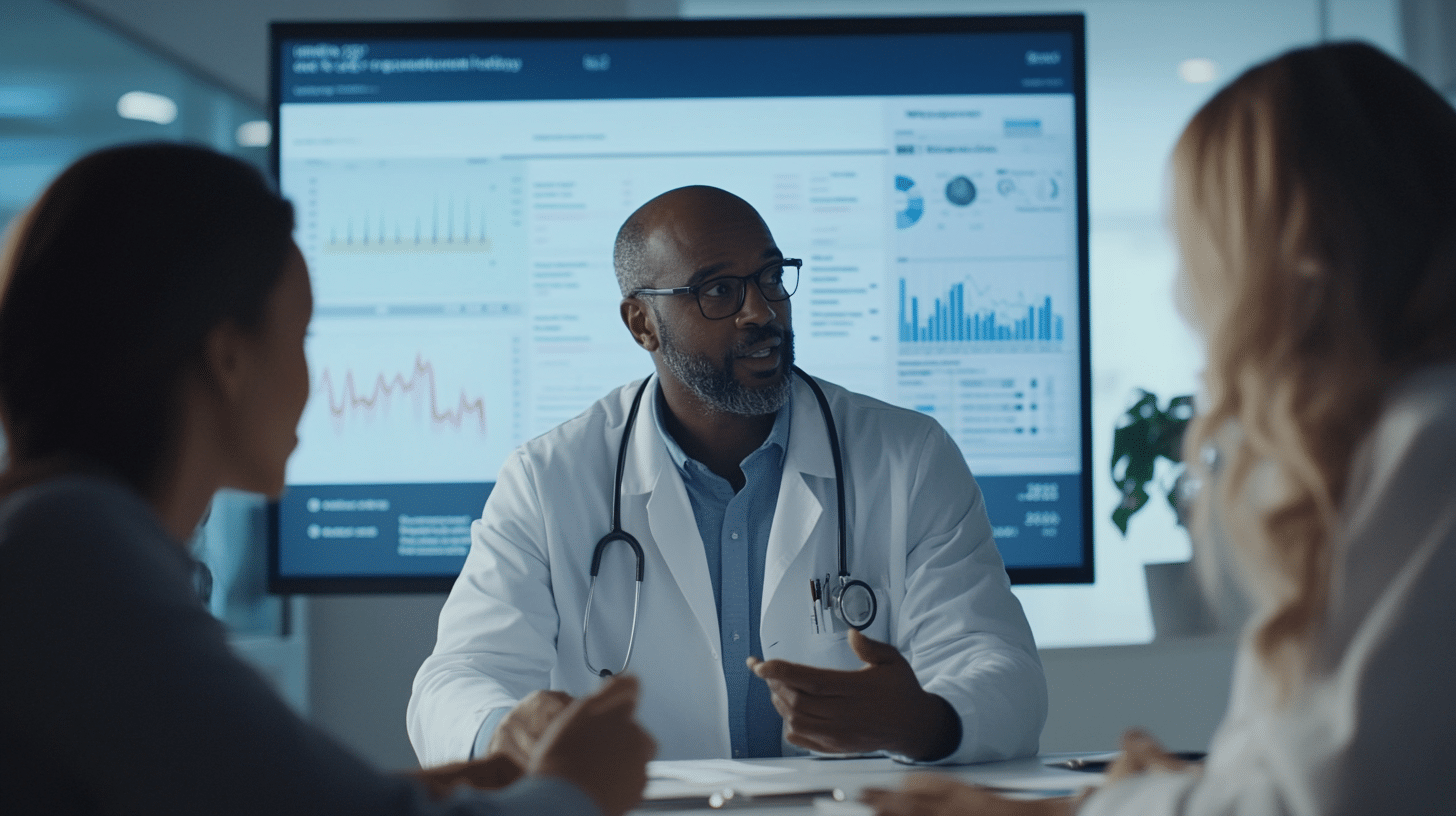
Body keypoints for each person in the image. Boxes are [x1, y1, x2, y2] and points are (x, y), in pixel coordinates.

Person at [862, 41, 1456, 816]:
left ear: (1303, 254)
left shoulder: (1425, 444)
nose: (1186, 297)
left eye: (1203, 253)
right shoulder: (1393, 444)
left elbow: (1329, 800)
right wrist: (1166, 794)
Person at [0, 142, 654, 816]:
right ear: (227, 358)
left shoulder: (63, 536)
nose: (313, 382)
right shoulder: (67, 549)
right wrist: (577, 785)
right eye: (303, 335)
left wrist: (452, 787)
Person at [409, 185, 1046, 767]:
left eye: (771, 277)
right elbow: (456, 677)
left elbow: (1000, 668)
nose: (759, 312)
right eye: (718, 290)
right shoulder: (549, 480)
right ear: (641, 323)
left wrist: (922, 722)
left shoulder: (908, 456)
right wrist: (506, 731)